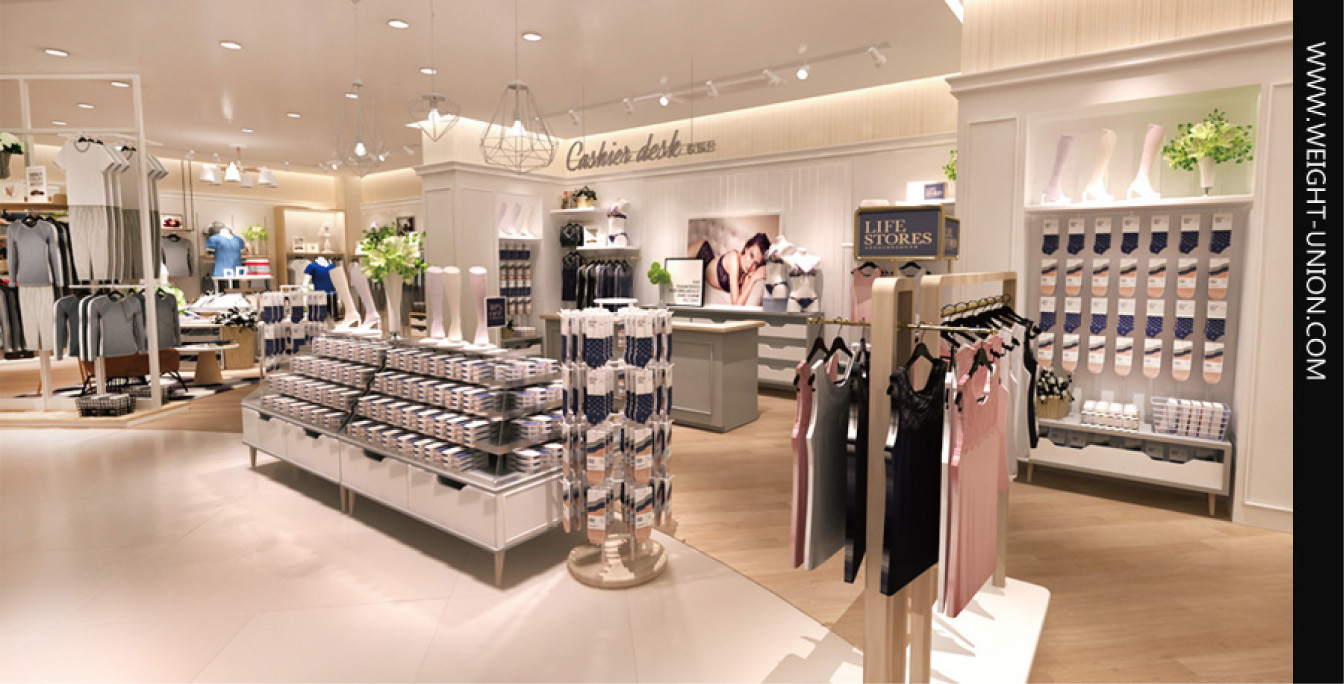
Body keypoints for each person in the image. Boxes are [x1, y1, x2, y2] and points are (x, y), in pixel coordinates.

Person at [689, 232, 772, 306]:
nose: (751, 265)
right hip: (700, 251)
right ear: (746, 247)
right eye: (751, 255)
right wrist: (753, 279)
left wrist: (752, 279)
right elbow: (736, 304)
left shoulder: (747, 273)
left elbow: (740, 304)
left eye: (756, 263)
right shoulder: (733, 259)